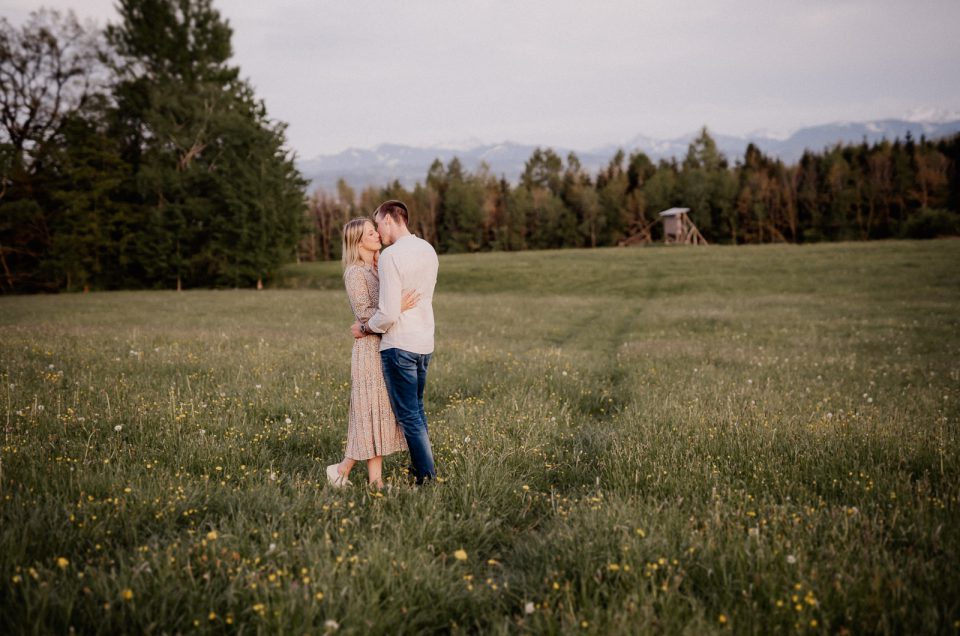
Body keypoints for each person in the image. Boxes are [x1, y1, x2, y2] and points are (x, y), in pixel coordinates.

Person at [327, 217, 419, 489]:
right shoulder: (355, 273)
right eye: (370, 233)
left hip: (384, 346)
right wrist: (397, 307)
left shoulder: (377, 268)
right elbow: (365, 315)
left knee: (378, 414)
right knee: (369, 413)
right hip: (369, 351)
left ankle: (370, 480)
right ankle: (345, 470)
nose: (377, 235)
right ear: (358, 241)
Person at [351, 200, 439, 484]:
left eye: (378, 224)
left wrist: (365, 327)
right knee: (418, 410)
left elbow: (387, 313)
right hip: (425, 342)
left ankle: (426, 478)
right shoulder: (428, 249)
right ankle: (421, 469)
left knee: (409, 417)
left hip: (399, 344)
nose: (378, 230)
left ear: (389, 219)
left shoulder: (391, 256)